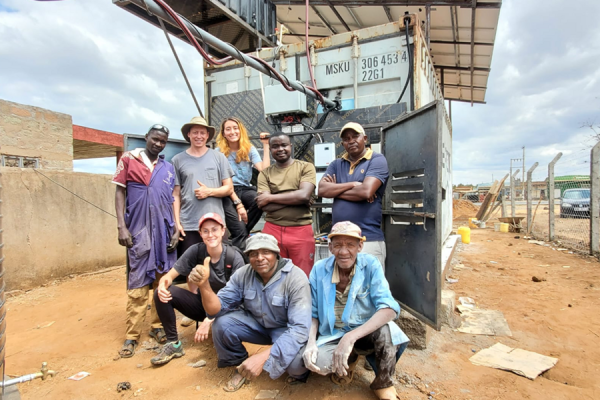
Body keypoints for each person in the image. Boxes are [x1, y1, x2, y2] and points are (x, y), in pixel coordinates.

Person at [190, 233, 311, 392]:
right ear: (248, 257)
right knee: (221, 323)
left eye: (266, 252)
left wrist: (261, 357)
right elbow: (215, 309)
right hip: (258, 325)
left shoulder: (296, 278)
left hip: (285, 330)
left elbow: (300, 329)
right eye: (253, 254)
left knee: (296, 365)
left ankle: (299, 375)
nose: (260, 258)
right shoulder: (243, 274)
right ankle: (238, 362)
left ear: (276, 253)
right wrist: (204, 285)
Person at [302, 221, 409, 400]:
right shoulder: (319, 269)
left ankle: (383, 383)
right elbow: (312, 313)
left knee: (386, 332)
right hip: (332, 333)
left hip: (365, 331)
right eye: (337, 245)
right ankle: (350, 358)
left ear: (360, 246)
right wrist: (311, 342)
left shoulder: (371, 264)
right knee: (318, 364)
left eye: (350, 245)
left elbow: (390, 308)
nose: (343, 251)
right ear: (330, 247)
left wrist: (350, 337)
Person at [112, 124, 179, 358]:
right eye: (155, 139)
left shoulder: (167, 167)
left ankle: (157, 327)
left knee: (163, 282)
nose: (158, 144)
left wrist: (174, 229)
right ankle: (132, 335)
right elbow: (120, 192)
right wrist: (122, 226)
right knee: (138, 284)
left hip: (164, 231)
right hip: (139, 230)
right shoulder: (129, 160)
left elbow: (171, 199)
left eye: (163, 141)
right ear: (146, 138)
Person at [151, 212, 245, 366]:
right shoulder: (196, 251)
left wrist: (210, 320)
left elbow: (238, 298)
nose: (210, 235)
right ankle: (173, 343)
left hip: (229, 311)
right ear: (200, 234)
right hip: (203, 305)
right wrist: (162, 285)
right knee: (162, 293)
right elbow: (169, 276)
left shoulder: (234, 258)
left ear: (223, 231)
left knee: (226, 319)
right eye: (206, 231)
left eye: (214, 229)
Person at [318, 122, 389, 269]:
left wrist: (336, 192)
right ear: (343, 143)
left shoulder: (377, 160)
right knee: (339, 288)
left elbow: (366, 192)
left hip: (367, 239)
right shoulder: (336, 164)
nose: (351, 141)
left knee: (368, 289)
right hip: (337, 241)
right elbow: (322, 190)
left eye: (355, 136)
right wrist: (353, 184)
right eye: (346, 138)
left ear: (365, 138)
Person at [172, 116, 234, 257]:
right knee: (192, 270)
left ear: (207, 135)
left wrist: (209, 192)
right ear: (189, 134)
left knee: (218, 268)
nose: (198, 136)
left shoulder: (219, 158)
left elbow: (229, 188)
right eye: (195, 132)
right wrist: (177, 223)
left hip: (215, 223)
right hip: (188, 223)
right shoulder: (177, 160)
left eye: (202, 133)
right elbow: (175, 194)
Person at [256, 134, 316, 276]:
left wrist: (271, 197)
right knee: (272, 275)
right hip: (272, 230)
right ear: (270, 149)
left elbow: (303, 195)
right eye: (275, 146)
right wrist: (297, 199)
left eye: (284, 145)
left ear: (291, 147)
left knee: (302, 276)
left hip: (301, 230)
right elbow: (265, 206)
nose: (280, 149)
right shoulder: (265, 174)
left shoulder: (306, 167)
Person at [216, 117, 270, 249]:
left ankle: (239, 232)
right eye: (228, 129)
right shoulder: (218, 153)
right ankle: (240, 234)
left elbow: (264, 170)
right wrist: (238, 204)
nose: (232, 132)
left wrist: (266, 145)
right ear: (223, 133)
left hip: (245, 189)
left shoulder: (249, 149)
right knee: (239, 232)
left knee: (261, 199)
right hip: (227, 191)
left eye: (235, 128)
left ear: (241, 131)